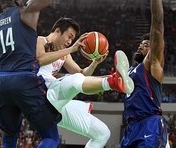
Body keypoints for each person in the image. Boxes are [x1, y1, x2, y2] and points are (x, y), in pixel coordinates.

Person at [0, 0, 92, 148]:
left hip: (0, 82)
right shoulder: (26, 11)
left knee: (9, 137)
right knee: (50, 136)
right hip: (23, 79)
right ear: (18, 1)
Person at [36, 17, 134, 148]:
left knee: (102, 133)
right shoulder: (40, 40)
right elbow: (40, 60)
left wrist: (95, 63)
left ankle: (113, 80)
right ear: (58, 31)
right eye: (69, 37)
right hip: (40, 93)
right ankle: (112, 81)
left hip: (54, 99)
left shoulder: (64, 54)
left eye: (72, 39)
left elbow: (82, 74)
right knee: (75, 79)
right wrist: (71, 49)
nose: (70, 42)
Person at [119, 0, 169, 147]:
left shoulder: (152, 63)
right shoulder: (131, 72)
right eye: (141, 43)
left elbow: (157, 23)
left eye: (147, 43)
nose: (142, 44)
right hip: (130, 127)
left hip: (150, 124)